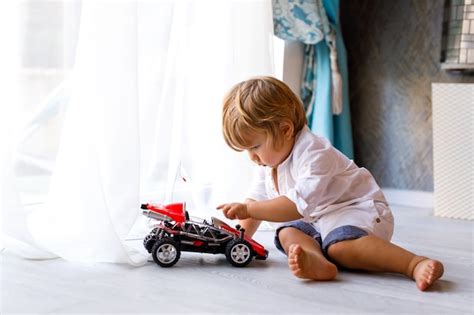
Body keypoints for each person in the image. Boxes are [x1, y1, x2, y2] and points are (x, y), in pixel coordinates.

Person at [217, 76, 444, 291]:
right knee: (287, 232)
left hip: (356, 210)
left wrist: (248, 209)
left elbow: (293, 206)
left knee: (340, 247)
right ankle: (316, 261)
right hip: (319, 218)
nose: (251, 157)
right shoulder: (269, 164)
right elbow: (256, 201)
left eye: (255, 147)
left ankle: (413, 264)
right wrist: (237, 238)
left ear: (285, 130)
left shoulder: (315, 153)